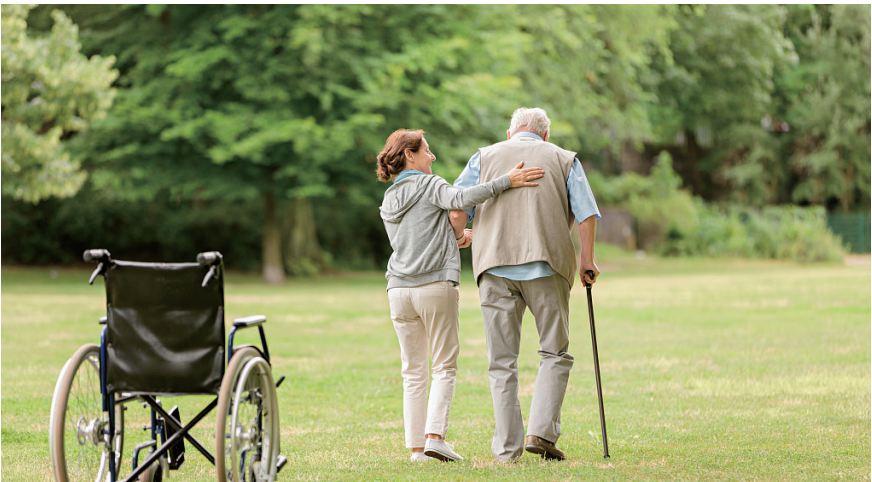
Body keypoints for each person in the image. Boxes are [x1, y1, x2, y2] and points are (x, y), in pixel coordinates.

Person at [376, 129, 544, 463]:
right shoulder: (430, 184)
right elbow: (462, 200)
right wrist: (506, 181)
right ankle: (435, 437)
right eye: (427, 150)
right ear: (409, 155)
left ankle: (415, 450)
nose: (432, 156)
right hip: (434, 286)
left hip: (398, 289)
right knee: (444, 366)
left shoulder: (390, 198)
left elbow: (416, 240)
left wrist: (453, 239)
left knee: (412, 371)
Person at [449, 107, 601, 462]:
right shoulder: (564, 159)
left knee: (501, 361)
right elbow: (587, 212)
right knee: (554, 351)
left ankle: (506, 450)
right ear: (545, 136)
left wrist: (460, 237)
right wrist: (587, 260)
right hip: (547, 266)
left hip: (494, 268)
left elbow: (457, 209)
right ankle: (541, 433)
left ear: (510, 134)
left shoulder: (483, 157)